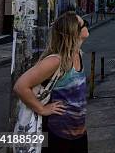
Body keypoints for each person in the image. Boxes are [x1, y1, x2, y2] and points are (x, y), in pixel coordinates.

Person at [13, 11, 90, 152]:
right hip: (57, 136)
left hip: (78, 134)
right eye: (84, 24)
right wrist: (42, 108)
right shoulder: (55, 61)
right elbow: (20, 86)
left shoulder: (78, 53)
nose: (87, 26)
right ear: (74, 32)